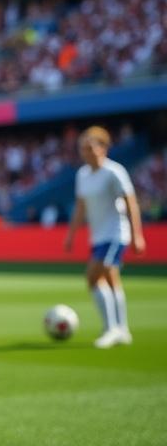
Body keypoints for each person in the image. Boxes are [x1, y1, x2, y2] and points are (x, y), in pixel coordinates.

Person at [64, 125, 146, 348]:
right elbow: (81, 207)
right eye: (83, 148)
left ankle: (111, 329)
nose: (86, 152)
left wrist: (137, 235)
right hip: (98, 236)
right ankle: (123, 330)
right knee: (111, 279)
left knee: (92, 276)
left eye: (90, 147)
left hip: (116, 233)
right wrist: (71, 235)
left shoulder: (114, 172)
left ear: (103, 148)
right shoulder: (82, 175)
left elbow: (130, 202)